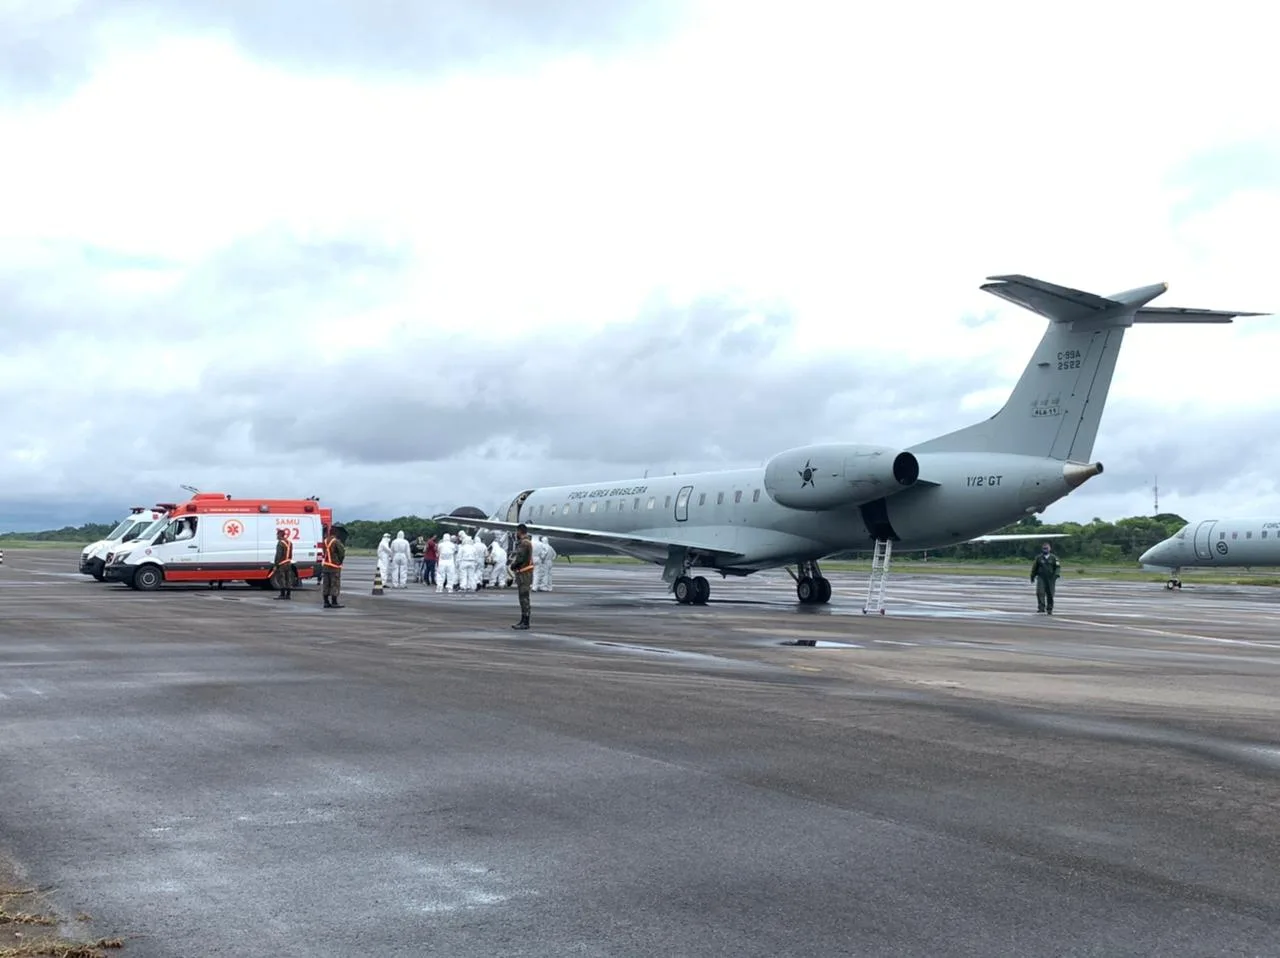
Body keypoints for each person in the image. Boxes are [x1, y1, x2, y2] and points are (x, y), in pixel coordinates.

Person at [508, 523, 535, 630]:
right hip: (525, 573)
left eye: (517, 531)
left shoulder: (524, 543)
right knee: (524, 597)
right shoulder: (526, 542)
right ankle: (524, 619)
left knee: (524, 598)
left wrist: (513, 566)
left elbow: (520, 558)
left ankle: (525, 621)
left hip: (524, 574)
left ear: (520, 531)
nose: (516, 534)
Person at [1030, 541, 1061, 614]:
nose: (1045, 550)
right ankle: (1041, 607)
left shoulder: (1054, 558)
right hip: (1041, 577)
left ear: (1049, 549)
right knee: (1040, 592)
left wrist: (1056, 575)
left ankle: (1049, 608)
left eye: (1046, 548)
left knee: (1050, 593)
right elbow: (1035, 567)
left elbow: (1057, 567)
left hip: (1050, 578)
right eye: (1044, 549)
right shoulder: (1039, 558)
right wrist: (1032, 576)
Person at [321, 524, 346, 608]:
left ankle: (325, 601)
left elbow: (324, 552)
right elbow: (341, 553)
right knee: (334, 584)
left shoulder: (325, 541)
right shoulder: (336, 541)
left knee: (326, 584)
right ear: (335, 533)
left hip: (326, 565)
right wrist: (339, 562)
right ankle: (334, 602)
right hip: (334, 566)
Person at [271, 528, 296, 600]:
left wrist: (276, 565)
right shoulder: (289, 543)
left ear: (280, 535)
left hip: (282, 564)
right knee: (288, 579)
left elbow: (278, 555)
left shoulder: (280, 543)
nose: (276, 536)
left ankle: (282, 594)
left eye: (277, 535)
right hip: (288, 563)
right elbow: (290, 554)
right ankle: (288, 594)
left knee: (281, 579)